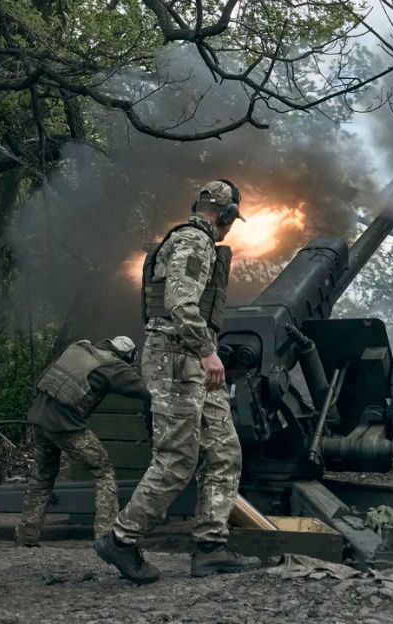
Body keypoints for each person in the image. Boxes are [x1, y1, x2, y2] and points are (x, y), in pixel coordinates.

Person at [94, 180, 259, 584]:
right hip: (178, 359)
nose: (230, 228)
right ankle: (122, 538)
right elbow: (180, 303)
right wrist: (206, 350)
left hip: (193, 360)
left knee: (224, 450)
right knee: (177, 459)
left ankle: (210, 547)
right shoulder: (193, 241)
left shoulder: (198, 241)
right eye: (231, 220)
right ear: (222, 214)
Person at [16, 336, 150, 547]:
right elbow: (146, 390)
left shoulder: (79, 347)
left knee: (41, 478)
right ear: (127, 356)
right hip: (65, 426)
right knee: (104, 472)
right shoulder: (113, 366)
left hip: (39, 419)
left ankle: (26, 537)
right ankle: (105, 538)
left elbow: (44, 377)